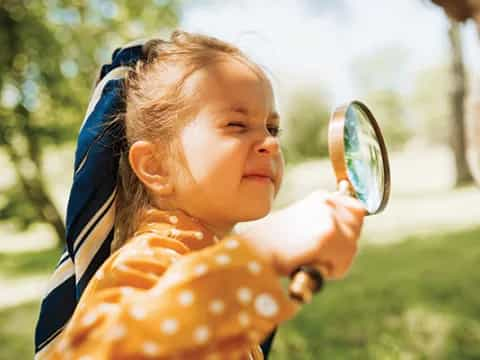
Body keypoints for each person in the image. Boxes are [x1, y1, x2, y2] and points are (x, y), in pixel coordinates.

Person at [34, 30, 366, 360]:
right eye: (237, 125)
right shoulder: (152, 259)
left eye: (272, 128)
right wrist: (263, 252)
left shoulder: (203, 255)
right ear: (155, 167)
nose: (271, 142)